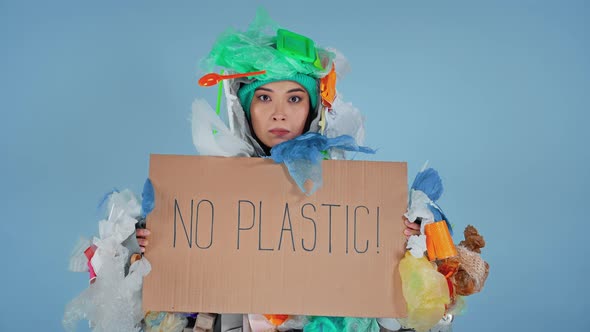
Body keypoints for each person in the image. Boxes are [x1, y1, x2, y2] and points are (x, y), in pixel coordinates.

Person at [136, 9, 426, 332]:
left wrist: (408, 250)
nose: (279, 114)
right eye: (264, 97)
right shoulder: (204, 196)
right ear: (245, 108)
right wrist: (151, 247)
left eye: (294, 98)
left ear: (312, 108)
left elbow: (392, 317)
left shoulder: (352, 199)